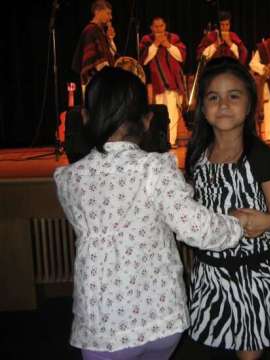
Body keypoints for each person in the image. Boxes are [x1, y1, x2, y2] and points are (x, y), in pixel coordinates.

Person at [54, 67, 257, 360]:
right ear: (148, 120)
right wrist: (240, 223)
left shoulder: (69, 179)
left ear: (84, 118)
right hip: (163, 317)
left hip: (105, 325)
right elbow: (197, 229)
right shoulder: (156, 168)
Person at [185, 57, 270, 359]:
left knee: (248, 352)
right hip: (211, 273)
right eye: (213, 97)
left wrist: (267, 220)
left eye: (234, 96)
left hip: (252, 275)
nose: (223, 104)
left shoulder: (262, 157)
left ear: (249, 106)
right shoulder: (197, 156)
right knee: (218, 343)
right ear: (204, 110)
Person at [140, 17, 186, 149]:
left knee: (172, 111)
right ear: (151, 28)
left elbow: (181, 56)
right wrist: (155, 44)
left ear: (165, 26)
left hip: (174, 81)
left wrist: (168, 45)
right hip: (157, 82)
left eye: (161, 26)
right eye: (156, 26)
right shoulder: (147, 40)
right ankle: (160, 141)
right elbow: (144, 60)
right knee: (159, 112)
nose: (159, 29)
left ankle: (171, 142)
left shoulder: (173, 38)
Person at [72, 0, 115, 88]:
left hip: (102, 80)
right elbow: (93, 60)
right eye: (108, 13)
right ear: (97, 12)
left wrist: (110, 39)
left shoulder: (100, 31)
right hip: (94, 82)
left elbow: (111, 55)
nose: (110, 17)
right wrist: (112, 75)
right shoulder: (90, 30)